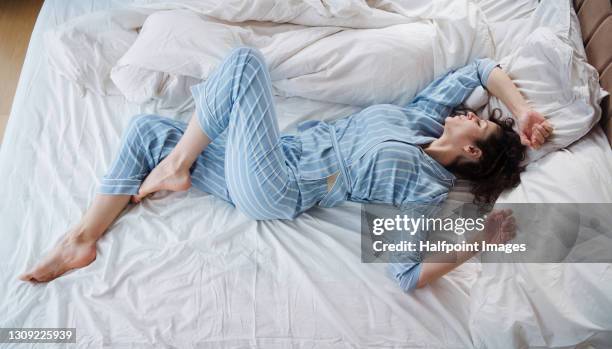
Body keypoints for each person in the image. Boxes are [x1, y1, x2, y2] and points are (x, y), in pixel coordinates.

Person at [19, 47, 552, 291]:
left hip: (280, 187)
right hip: (265, 156)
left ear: (474, 153)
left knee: (245, 64)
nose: (468, 111)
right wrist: (523, 111)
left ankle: (178, 167)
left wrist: (475, 243)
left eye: (477, 122)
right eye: (475, 111)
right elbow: (484, 66)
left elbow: (407, 274)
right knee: (145, 131)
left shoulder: (424, 187)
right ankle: (81, 240)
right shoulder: (423, 114)